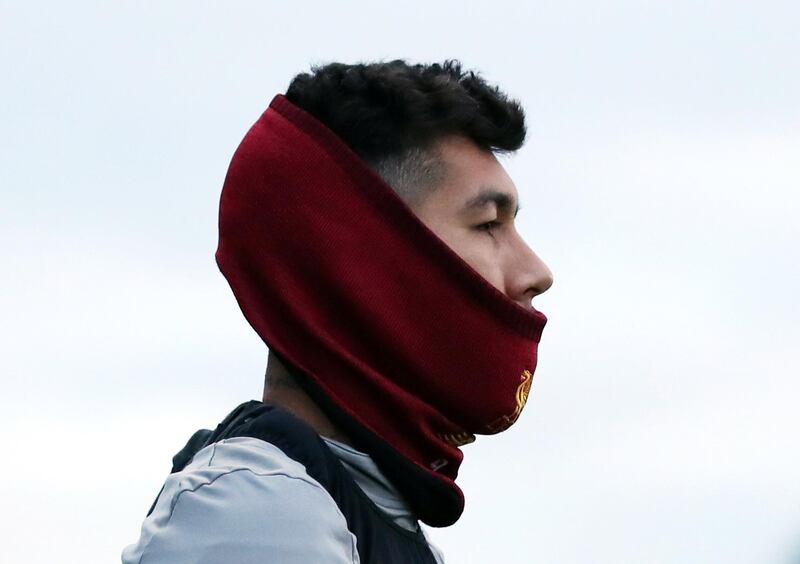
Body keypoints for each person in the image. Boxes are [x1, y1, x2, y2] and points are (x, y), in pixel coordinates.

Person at [122, 59, 554, 564]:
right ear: (360, 259)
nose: (537, 271)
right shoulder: (261, 510)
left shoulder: (356, 513)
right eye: (486, 224)